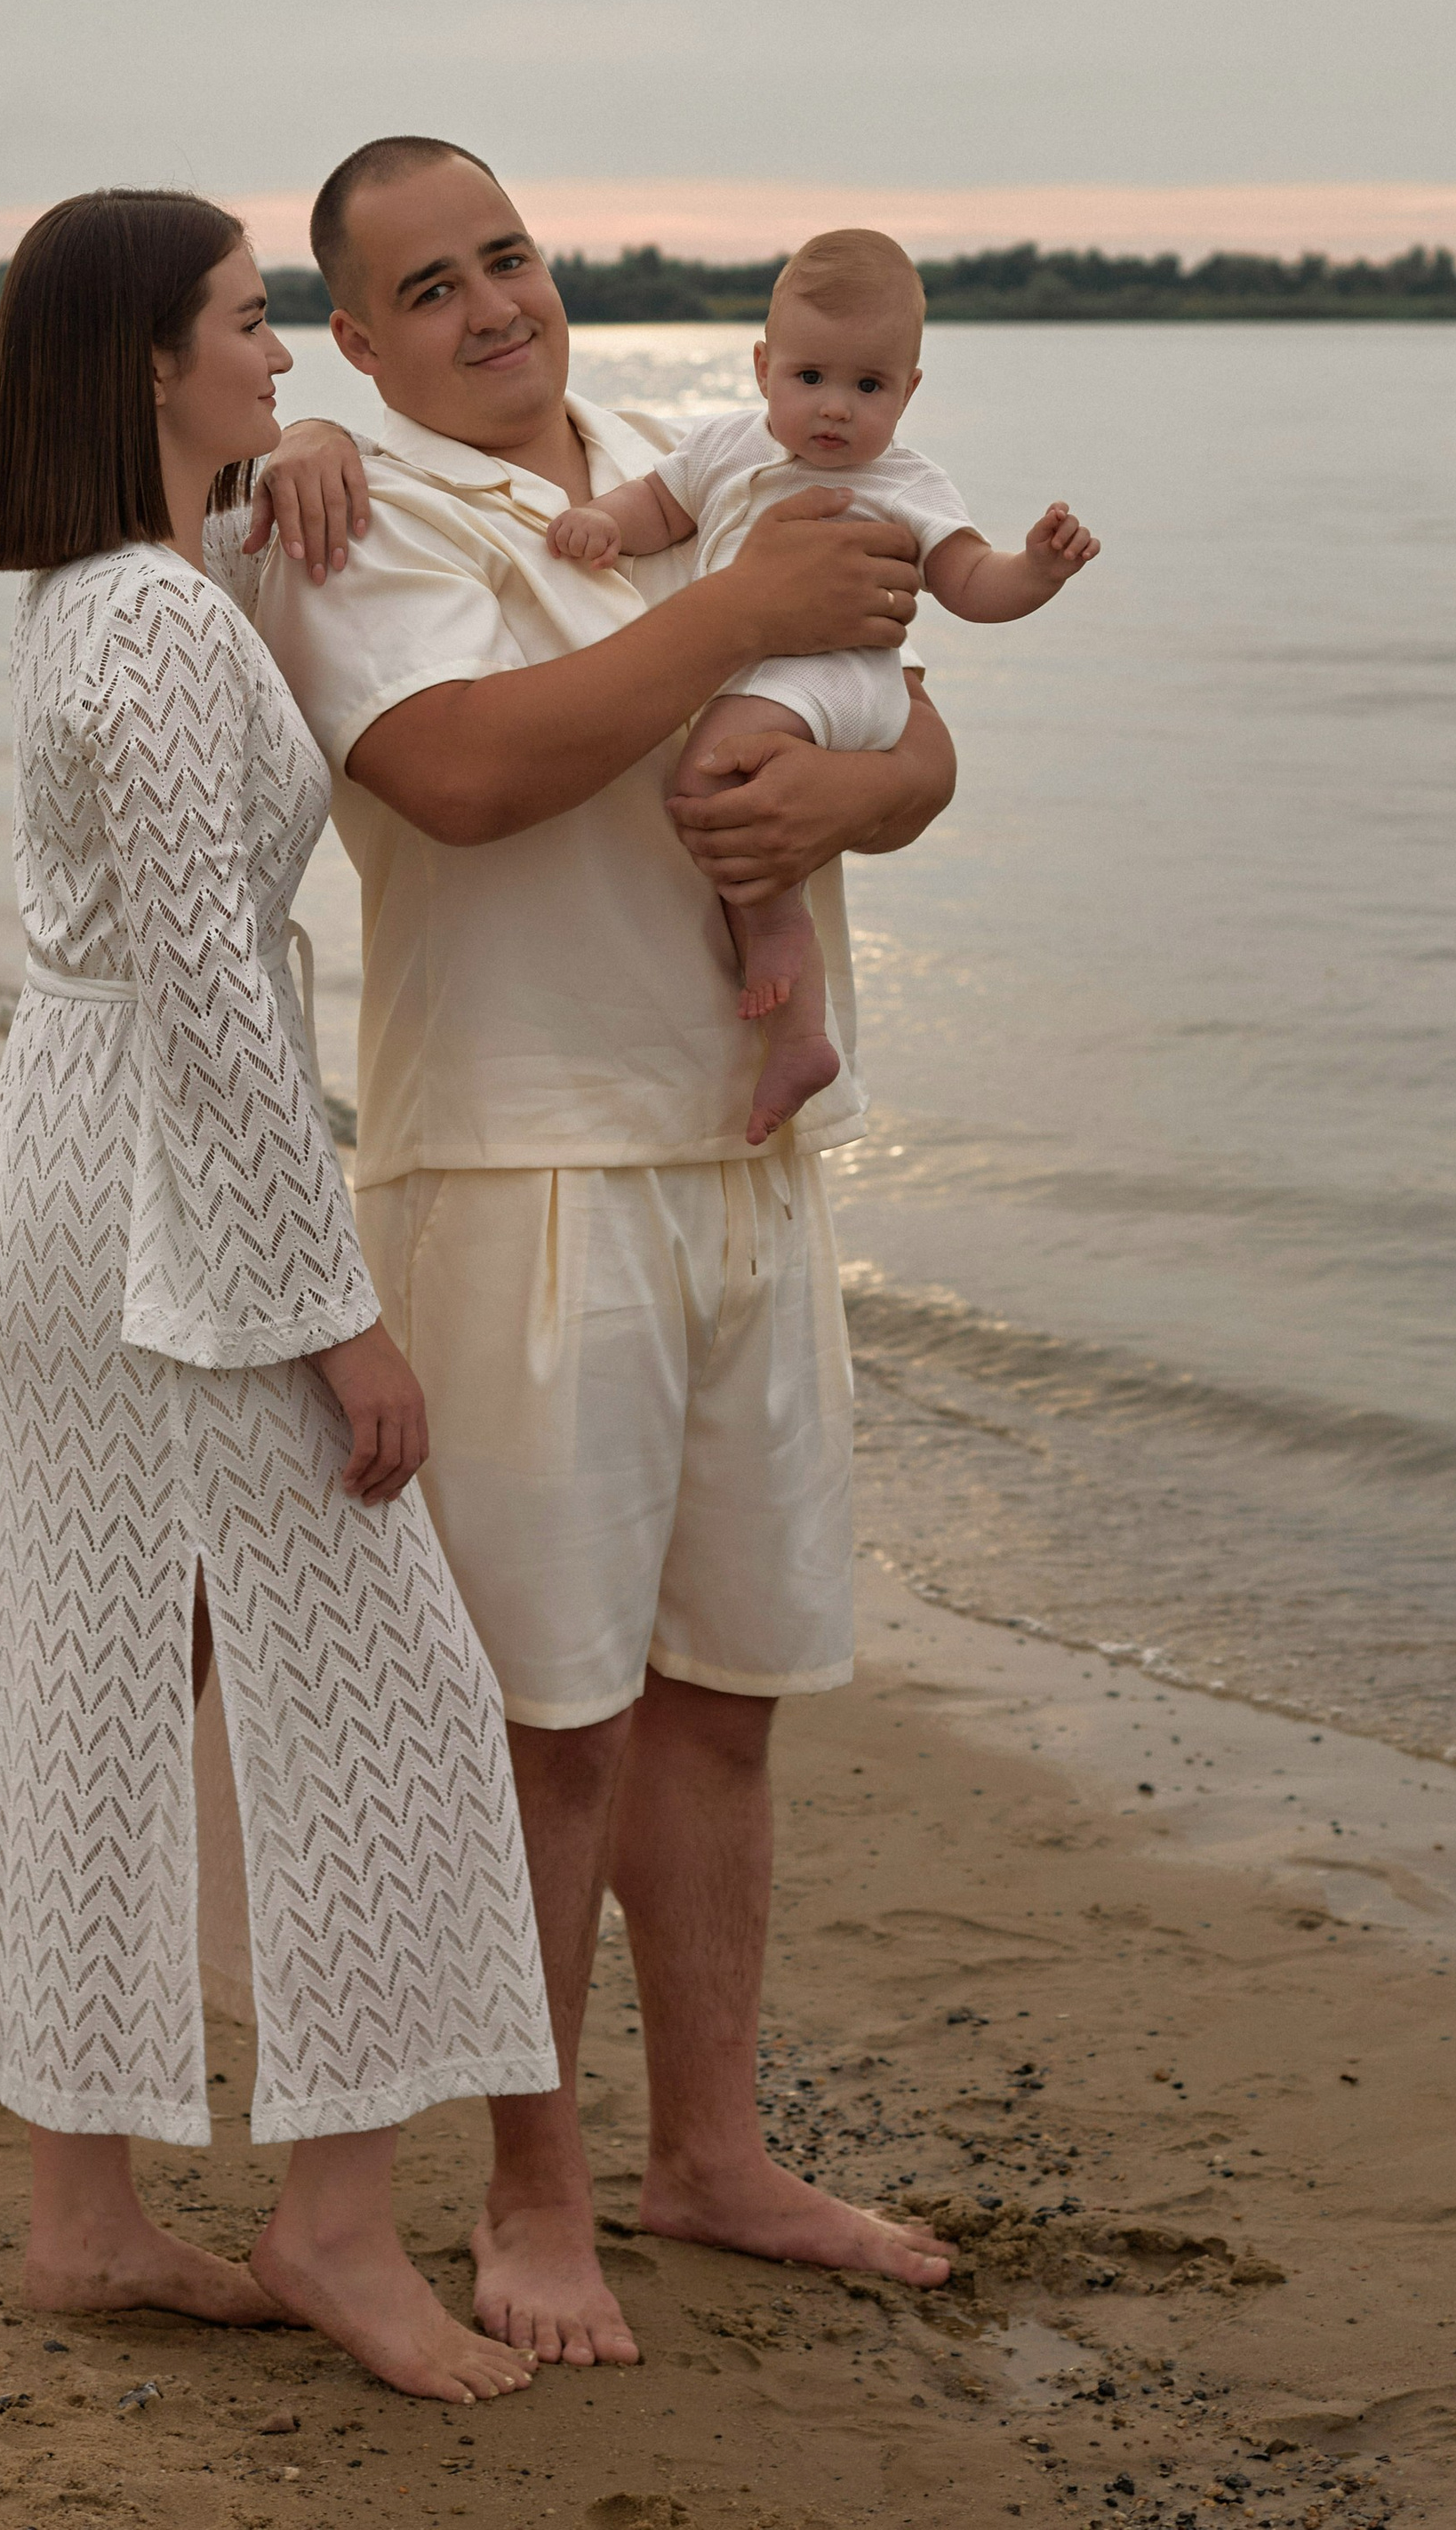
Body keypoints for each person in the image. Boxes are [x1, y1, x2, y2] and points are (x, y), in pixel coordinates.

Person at [247, 136, 959, 2374]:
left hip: (745, 1158)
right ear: (351, 340)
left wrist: (860, 795)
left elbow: (906, 711)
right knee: (545, 1726)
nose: (489, 305)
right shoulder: (341, 511)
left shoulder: (696, 458)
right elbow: (457, 772)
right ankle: (529, 2187)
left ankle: (712, 2153)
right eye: (425, 286)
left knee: (723, 1696)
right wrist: (737, 623)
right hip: (521, 1173)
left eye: (509, 255)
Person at [0, 186, 554, 2406]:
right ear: (140, 364)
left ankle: (87, 2220)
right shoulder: (142, 630)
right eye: (242, 321)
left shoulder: (120, 599)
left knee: (86, 1683)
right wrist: (338, 1313)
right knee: (393, 1702)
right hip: (161, 1217)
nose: (284, 345)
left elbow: (182, 845)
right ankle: (328, 2223)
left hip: (77, 1170)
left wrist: (277, 510)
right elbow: (210, 989)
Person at [545, 223, 1099, 1144]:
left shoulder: (906, 480)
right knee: (733, 784)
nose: (834, 409)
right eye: (810, 379)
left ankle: (776, 932)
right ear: (763, 367)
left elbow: (968, 585)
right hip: (774, 676)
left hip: (846, 681)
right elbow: (658, 506)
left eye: (867, 386)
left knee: (708, 778)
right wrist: (599, 521)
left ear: (909, 392)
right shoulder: (723, 447)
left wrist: (1034, 570)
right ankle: (801, 1035)